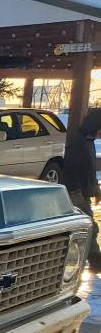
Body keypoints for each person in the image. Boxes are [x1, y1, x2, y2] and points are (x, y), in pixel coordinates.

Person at [62, 108, 101, 272]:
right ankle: (95, 260)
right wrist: (75, 191)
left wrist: (96, 190)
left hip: (83, 191)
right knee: (89, 226)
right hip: (75, 192)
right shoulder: (78, 143)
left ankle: (90, 259)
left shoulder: (88, 142)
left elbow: (90, 171)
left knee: (89, 226)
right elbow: (70, 169)